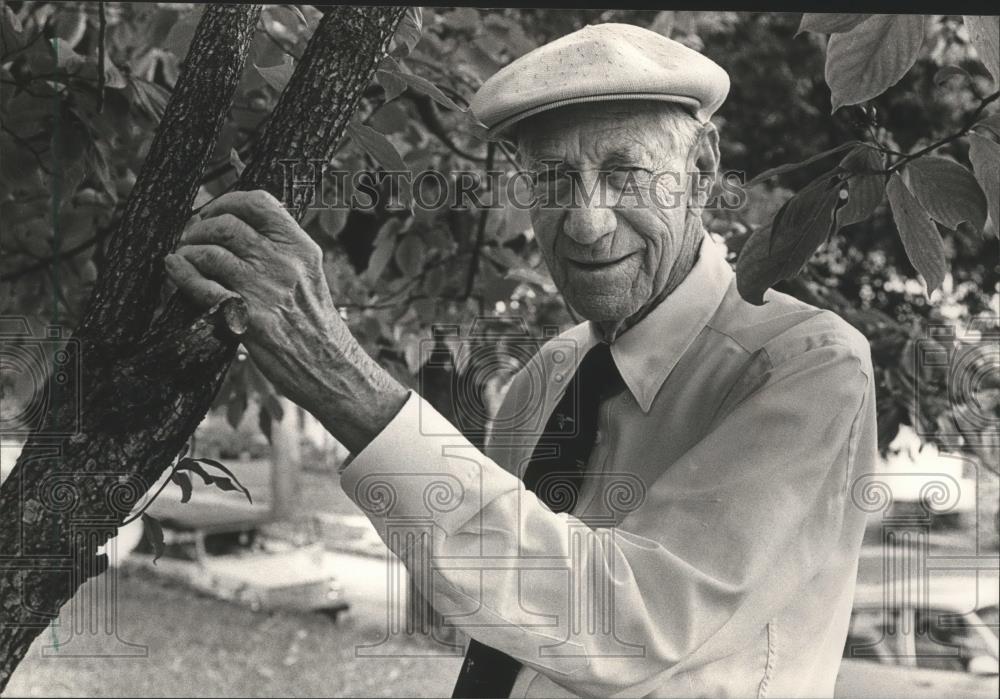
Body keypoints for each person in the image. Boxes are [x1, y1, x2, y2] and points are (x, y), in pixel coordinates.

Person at [165, 22, 878, 698]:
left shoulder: (808, 367)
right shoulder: (548, 376)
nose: (586, 222)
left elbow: (630, 623)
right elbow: (502, 602)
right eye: (553, 181)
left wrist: (347, 387)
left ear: (701, 169)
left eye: (625, 171)